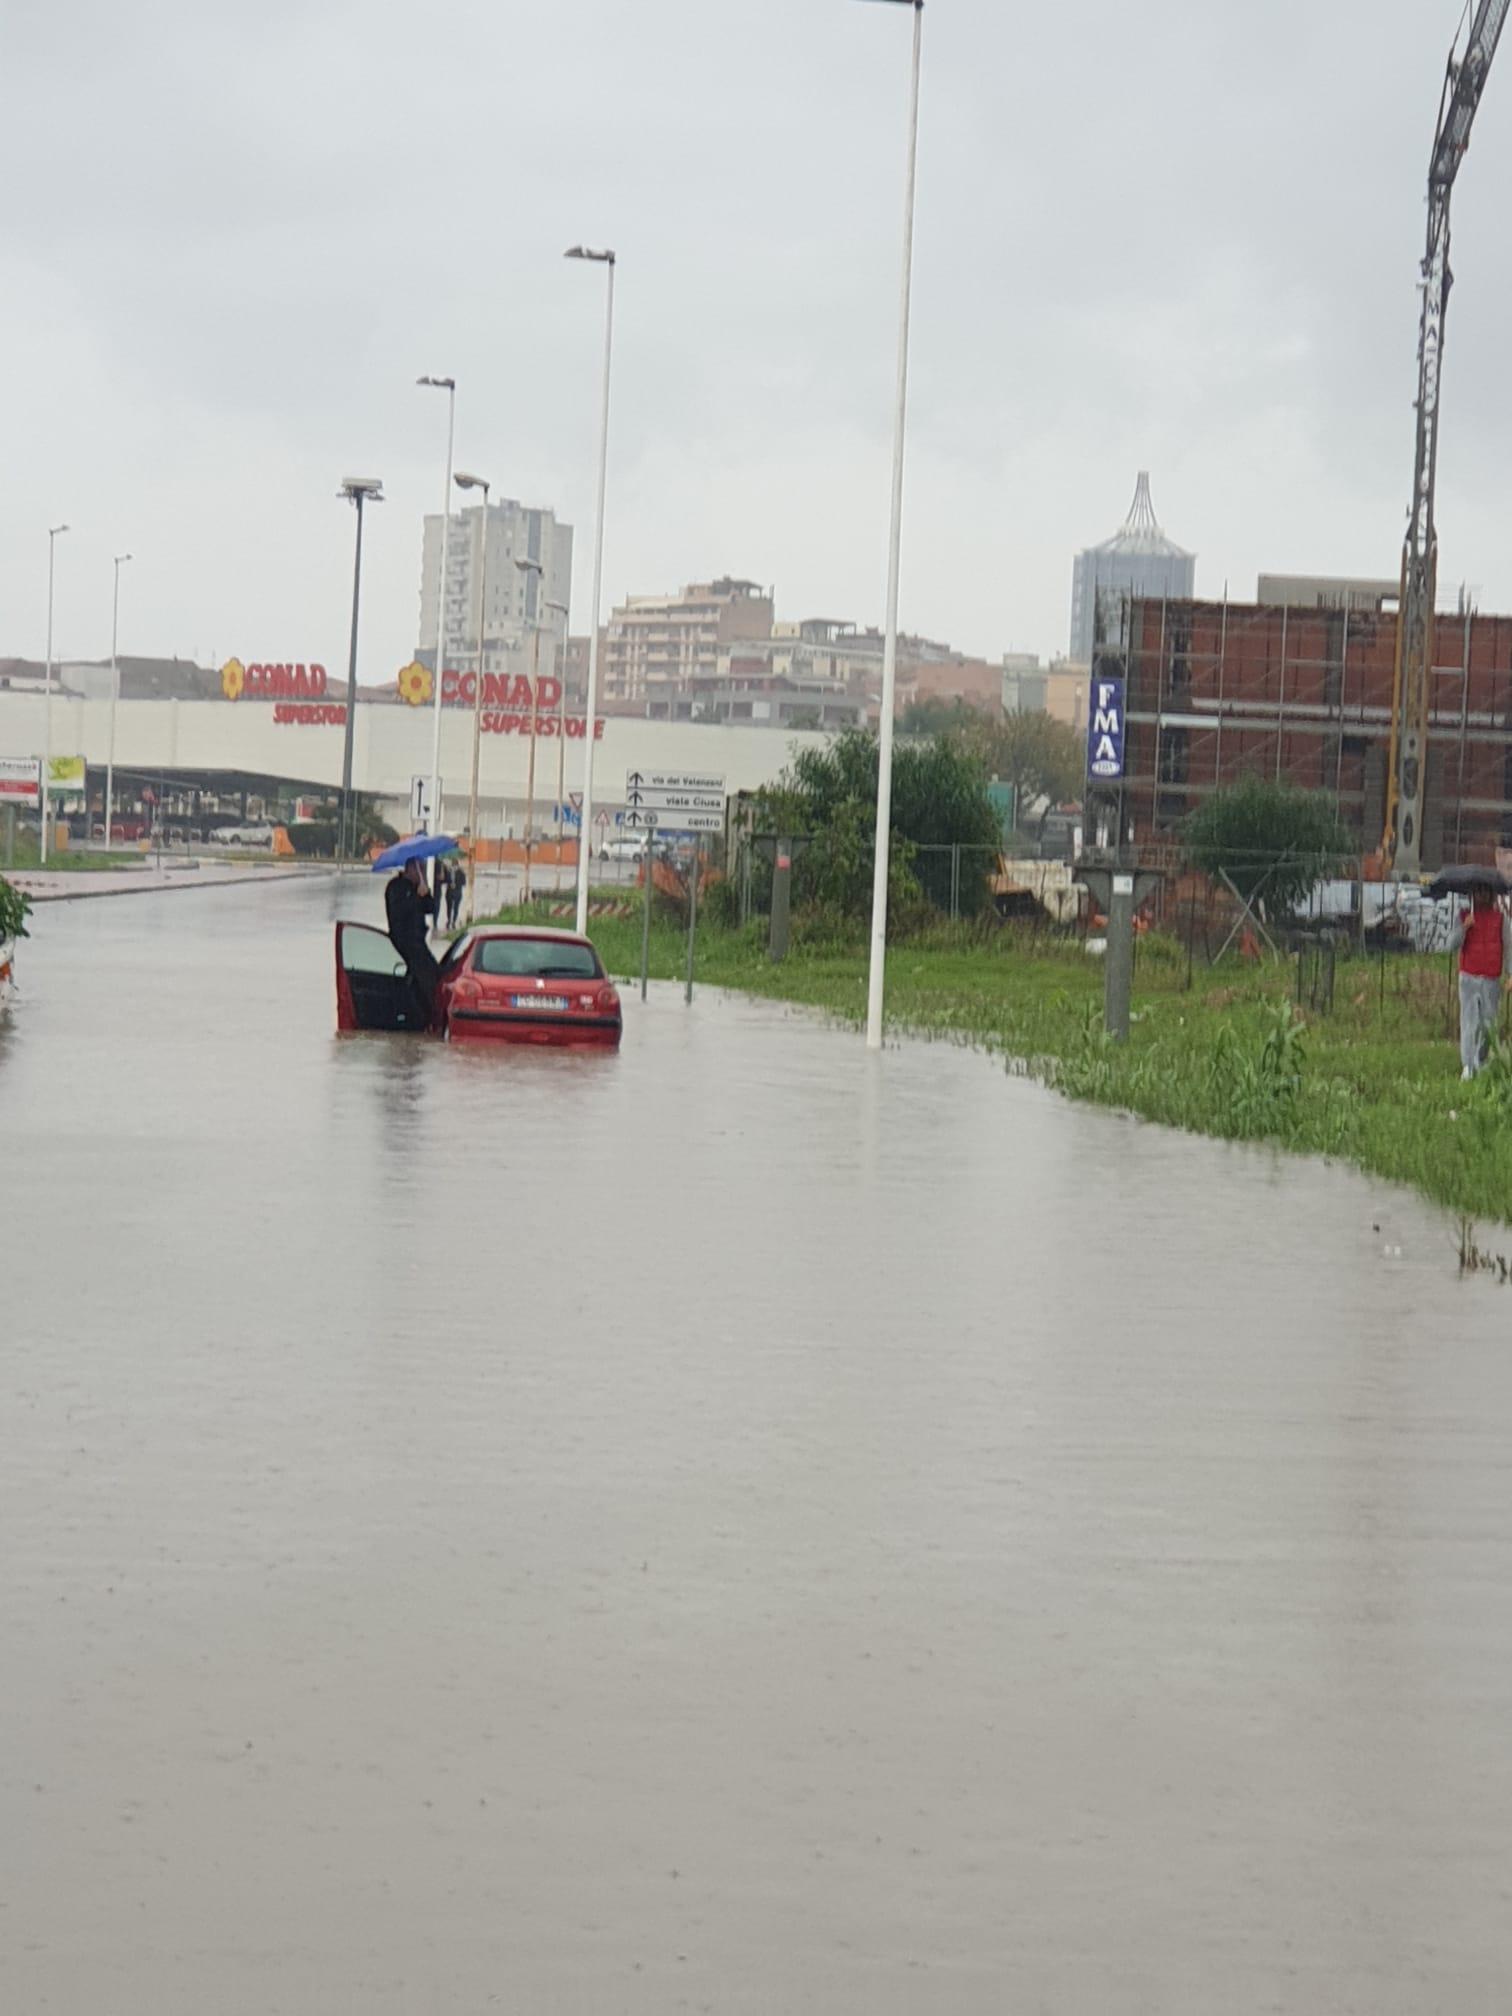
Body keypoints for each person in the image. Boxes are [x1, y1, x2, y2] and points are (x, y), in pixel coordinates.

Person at [1451, 884, 1512, 1079]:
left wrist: (1510, 974)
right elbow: (1452, 943)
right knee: (1469, 1023)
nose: (1482, 895)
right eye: (1478, 891)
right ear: (1472, 894)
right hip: (1468, 976)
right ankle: (1468, 1066)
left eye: (1486, 891)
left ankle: (1481, 1060)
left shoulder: (1501, 919)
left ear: (1491, 894)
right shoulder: (1464, 915)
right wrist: (1465, 927)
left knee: (1488, 1024)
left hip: (1491, 979)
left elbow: (1509, 948)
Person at [385, 858, 440, 1023]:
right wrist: (416, 896)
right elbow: (399, 913)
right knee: (424, 981)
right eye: (420, 869)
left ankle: (428, 1018)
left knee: (435, 975)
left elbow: (430, 908)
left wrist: (426, 893)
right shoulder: (395, 887)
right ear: (410, 869)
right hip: (404, 943)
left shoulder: (418, 888)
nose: (422, 873)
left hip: (419, 943)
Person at [445, 859, 465, 931]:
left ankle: (454, 921)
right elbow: (445, 880)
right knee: (449, 907)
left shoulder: (461, 872)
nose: (454, 867)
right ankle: (449, 920)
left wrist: (456, 884)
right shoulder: (448, 872)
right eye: (453, 865)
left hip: (457, 892)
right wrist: (450, 883)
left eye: (455, 865)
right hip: (449, 892)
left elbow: (463, 882)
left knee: (456, 908)